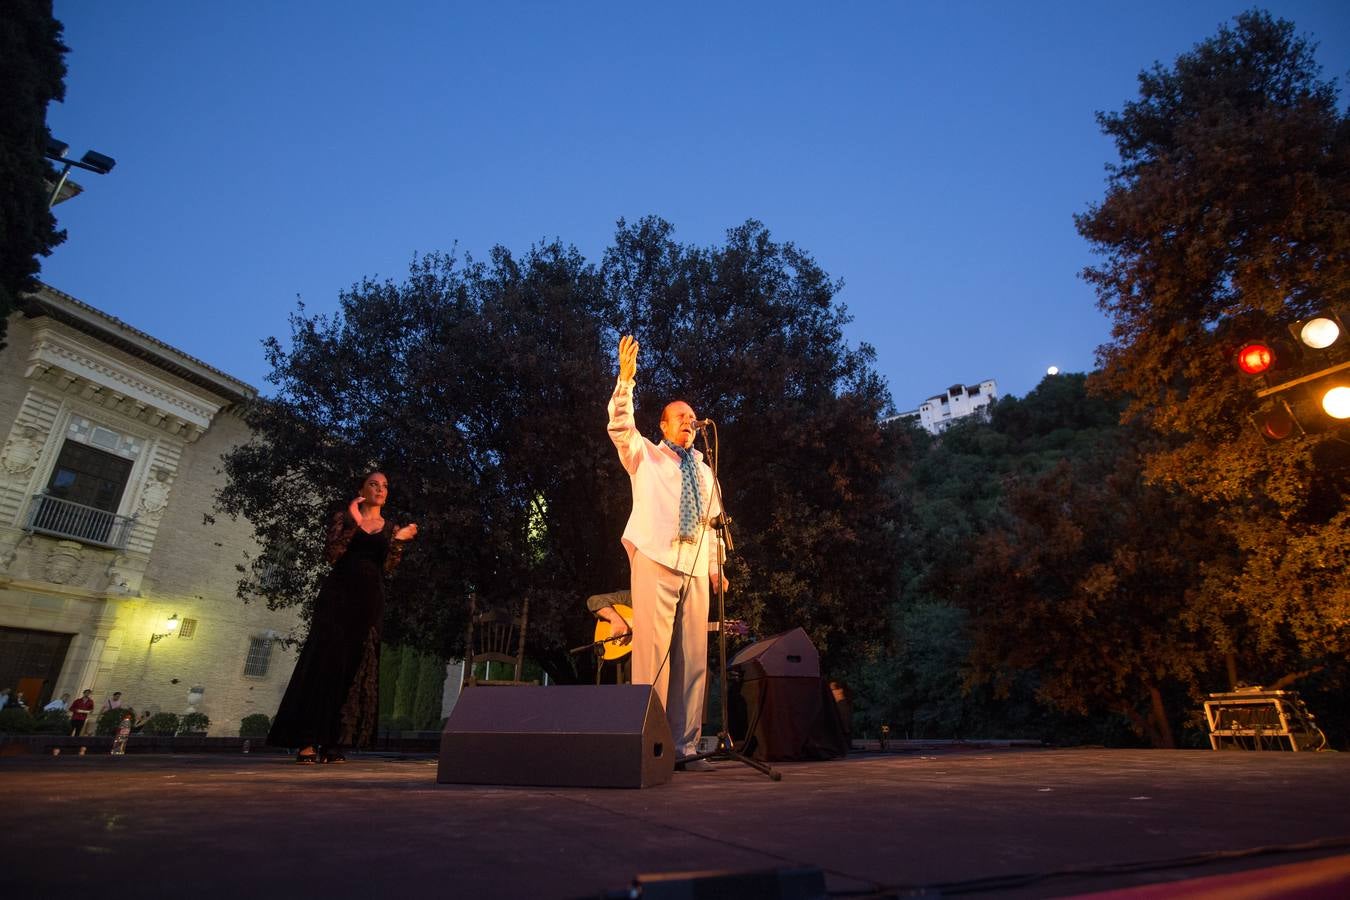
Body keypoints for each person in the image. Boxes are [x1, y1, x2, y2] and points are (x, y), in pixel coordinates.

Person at [606, 335, 728, 771]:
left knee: (694, 658)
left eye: (693, 417)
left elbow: (714, 525)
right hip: (656, 557)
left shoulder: (706, 471)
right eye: (680, 416)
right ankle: (649, 745)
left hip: (695, 566)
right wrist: (625, 382)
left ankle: (686, 747)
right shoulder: (646, 456)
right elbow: (620, 428)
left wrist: (716, 569)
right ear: (663, 425)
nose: (689, 421)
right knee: (653, 656)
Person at [268, 471, 418, 763]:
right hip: (338, 597)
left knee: (354, 666)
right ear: (361, 488)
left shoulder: (390, 527)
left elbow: (387, 567)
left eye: (385, 485)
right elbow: (333, 554)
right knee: (326, 663)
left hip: (370, 599)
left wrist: (398, 540)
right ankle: (308, 741)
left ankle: (335, 742)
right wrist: (355, 517)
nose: (381, 489)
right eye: (374, 484)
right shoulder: (345, 518)